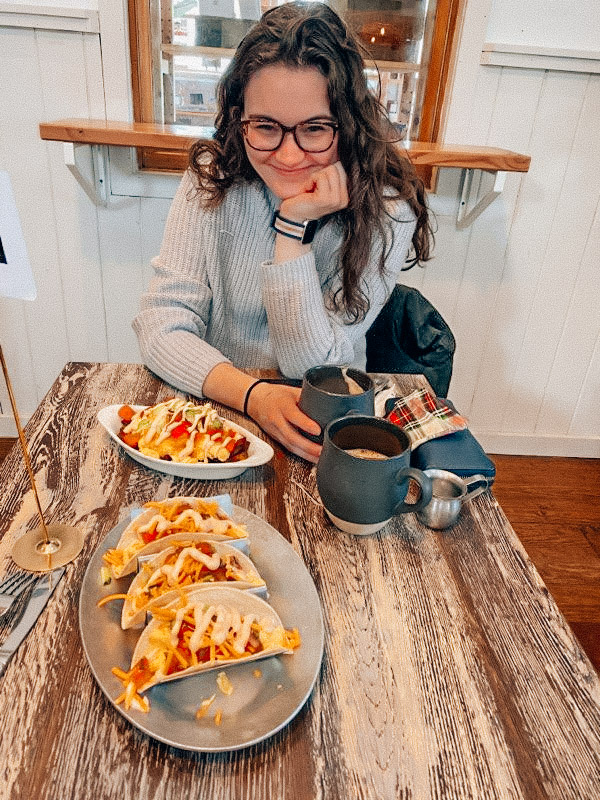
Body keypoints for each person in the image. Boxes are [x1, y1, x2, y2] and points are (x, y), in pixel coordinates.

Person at [133, 1, 432, 463]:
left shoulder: (388, 209)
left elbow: (311, 365)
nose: (289, 157)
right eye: (267, 127)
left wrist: (293, 230)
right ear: (240, 118)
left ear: (348, 123)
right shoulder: (211, 178)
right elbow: (160, 326)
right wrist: (254, 396)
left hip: (327, 426)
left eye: (315, 128)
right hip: (219, 410)